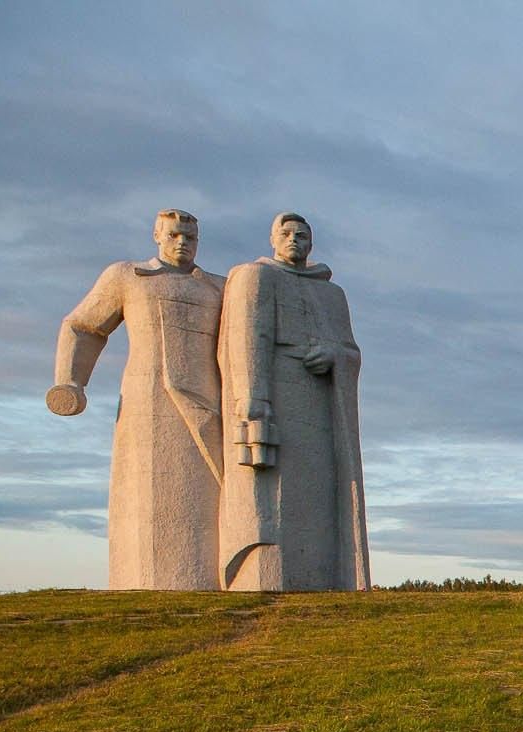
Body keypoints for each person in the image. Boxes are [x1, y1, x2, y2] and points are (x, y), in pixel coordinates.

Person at [46, 209, 225, 589]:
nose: (183, 243)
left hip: (210, 402)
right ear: (157, 236)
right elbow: (83, 326)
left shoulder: (218, 287)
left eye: (190, 237)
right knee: (148, 492)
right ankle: (147, 580)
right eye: (175, 235)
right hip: (149, 402)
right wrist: (71, 381)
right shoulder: (128, 276)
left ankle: (210, 580)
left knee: (207, 495)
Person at [216, 213, 369, 591]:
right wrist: (252, 397)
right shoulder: (255, 277)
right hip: (275, 395)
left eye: (302, 235)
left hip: (319, 402)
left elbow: (351, 349)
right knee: (269, 494)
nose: (294, 240)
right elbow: (245, 335)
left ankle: (322, 577)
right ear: (272, 239)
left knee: (318, 491)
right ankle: (266, 578)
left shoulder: (332, 293)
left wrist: (335, 354)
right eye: (286, 233)